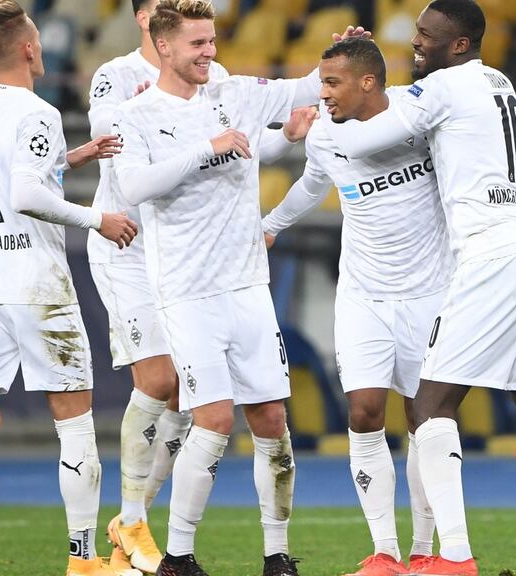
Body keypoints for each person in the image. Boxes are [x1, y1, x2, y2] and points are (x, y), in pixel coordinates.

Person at [320, 1, 516, 575]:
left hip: (493, 254)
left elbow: (362, 141)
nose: (416, 44)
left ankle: (453, 560)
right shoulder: (495, 80)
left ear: (458, 45)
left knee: (431, 403)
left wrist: (337, 96)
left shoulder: (443, 86)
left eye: (427, 37)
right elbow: (479, 140)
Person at [263, 37, 516, 576]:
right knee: (363, 411)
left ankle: (426, 549)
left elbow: (476, 144)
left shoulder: (413, 115)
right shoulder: (326, 133)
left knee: (425, 417)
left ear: (368, 82)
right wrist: (270, 226)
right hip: (362, 293)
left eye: (332, 83)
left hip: (430, 291)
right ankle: (384, 552)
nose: (321, 94)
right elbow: (312, 183)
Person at [111, 2, 361, 574]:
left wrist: (339, 54)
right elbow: (133, 184)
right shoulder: (136, 115)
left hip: (248, 285)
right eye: (197, 43)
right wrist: (207, 150)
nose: (209, 52)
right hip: (188, 293)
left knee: (272, 418)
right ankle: (177, 555)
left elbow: (307, 85)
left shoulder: (235, 94)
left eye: (213, 41)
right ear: (164, 45)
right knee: (215, 420)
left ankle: (276, 555)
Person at [0, 2, 136, 575]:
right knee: (74, 421)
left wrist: (71, 159)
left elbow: (9, 177)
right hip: (36, 284)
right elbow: (26, 196)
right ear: (30, 49)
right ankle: (83, 560)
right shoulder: (38, 111)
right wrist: (98, 220)